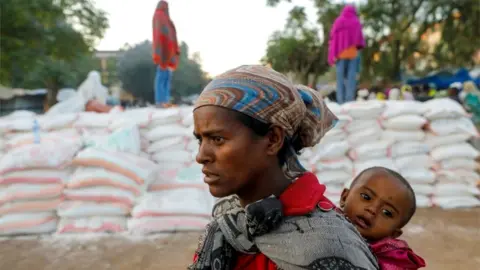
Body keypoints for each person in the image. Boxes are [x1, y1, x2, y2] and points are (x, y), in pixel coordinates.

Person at [190, 65, 379, 270]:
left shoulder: (327, 243)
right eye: (200, 140)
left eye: (217, 139)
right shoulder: (228, 221)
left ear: (273, 139)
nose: (201, 156)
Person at [340, 167, 426, 270]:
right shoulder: (322, 222)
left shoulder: (393, 262)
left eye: (387, 212)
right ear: (344, 197)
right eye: (366, 197)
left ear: (394, 234)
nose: (372, 210)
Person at [328, 5, 365, 104]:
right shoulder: (356, 21)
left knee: (340, 79)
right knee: (351, 79)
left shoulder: (338, 21)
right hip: (353, 54)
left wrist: (333, 52)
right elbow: (359, 39)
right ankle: (349, 101)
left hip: (341, 55)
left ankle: (340, 101)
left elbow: (333, 38)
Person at [152, 0, 180, 106]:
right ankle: (160, 101)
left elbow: (170, 35)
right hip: (163, 50)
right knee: (161, 76)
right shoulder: (159, 15)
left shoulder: (166, 18)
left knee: (167, 77)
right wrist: (161, 52)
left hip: (169, 50)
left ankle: (166, 100)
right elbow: (159, 34)